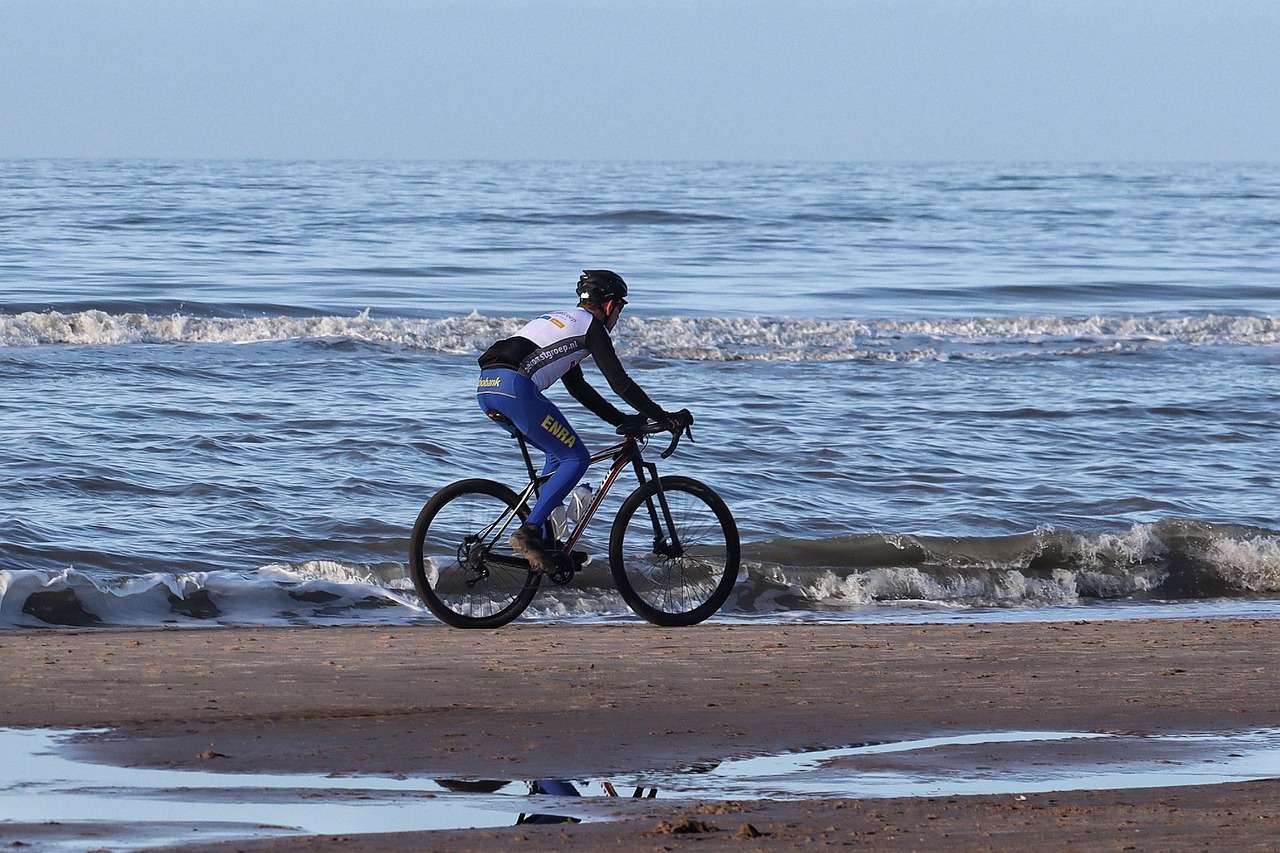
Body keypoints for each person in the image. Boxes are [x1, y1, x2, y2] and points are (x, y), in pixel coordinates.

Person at [476, 270, 692, 573]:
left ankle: (548, 545)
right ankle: (529, 532)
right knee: (576, 458)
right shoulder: (592, 328)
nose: (618, 316)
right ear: (609, 305)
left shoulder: (564, 320)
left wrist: (621, 419)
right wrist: (665, 417)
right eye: (620, 308)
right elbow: (621, 383)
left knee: (557, 454)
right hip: (515, 388)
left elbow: (578, 388)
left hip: (487, 388)